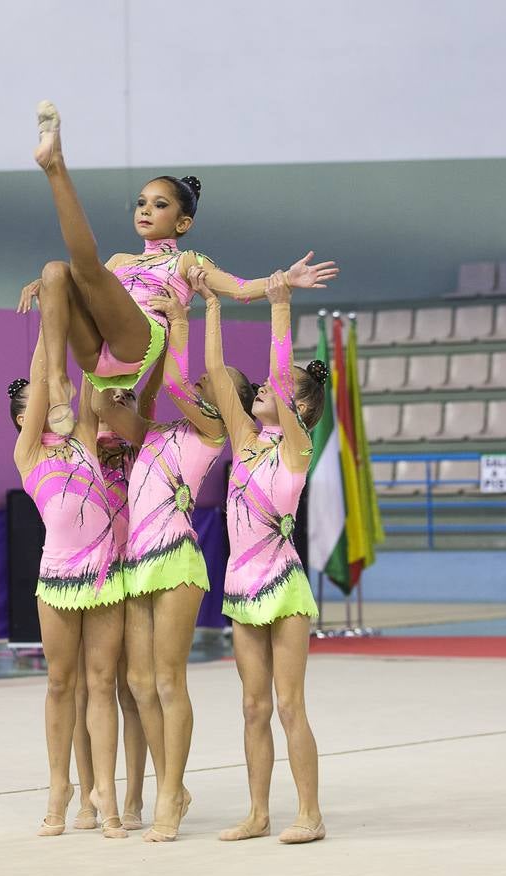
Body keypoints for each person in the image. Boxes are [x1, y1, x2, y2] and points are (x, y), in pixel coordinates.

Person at [20, 100, 338, 435]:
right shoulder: (121, 261)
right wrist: (52, 286)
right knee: (55, 270)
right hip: (97, 359)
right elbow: (87, 291)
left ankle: (55, 168)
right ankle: (57, 379)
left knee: (83, 267)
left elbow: (240, 289)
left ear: (182, 223)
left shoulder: (186, 261)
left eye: (159, 205)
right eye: (141, 203)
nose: (145, 211)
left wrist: (287, 278)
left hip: (138, 342)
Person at [91, 293, 258, 842]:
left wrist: (178, 325)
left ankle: (169, 795)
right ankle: (173, 786)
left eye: (220, 382)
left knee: (166, 679)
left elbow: (184, 386)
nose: (208, 384)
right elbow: (106, 408)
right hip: (138, 562)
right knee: (138, 681)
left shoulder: (213, 433)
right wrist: (114, 362)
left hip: (177, 561)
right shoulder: (157, 434)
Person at [203, 267, 328, 845]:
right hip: (240, 584)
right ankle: (258, 812)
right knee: (253, 707)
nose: (260, 392)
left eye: (279, 392)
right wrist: (205, 311)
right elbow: (214, 380)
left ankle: (310, 813)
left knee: (287, 704)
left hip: (283, 584)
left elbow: (277, 379)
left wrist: (279, 306)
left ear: (300, 406)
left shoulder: (297, 447)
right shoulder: (245, 443)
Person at [10, 327, 129, 839]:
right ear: (24, 419)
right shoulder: (29, 456)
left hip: (103, 576)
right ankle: (59, 789)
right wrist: (46, 326)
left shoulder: (85, 440)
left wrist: (70, 315)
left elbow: (82, 379)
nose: (57, 400)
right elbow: (44, 378)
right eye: (42, 402)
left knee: (101, 683)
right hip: (57, 581)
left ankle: (107, 794)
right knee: (62, 684)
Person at [71, 382, 156, 831]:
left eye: (128, 400)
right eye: (111, 400)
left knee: (132, 691)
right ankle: (88, 795)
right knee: (89, 688)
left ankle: (136, 796)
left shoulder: (142, 453)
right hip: (92, 577)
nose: (117, 407)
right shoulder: (80, 448)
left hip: (134, 575)